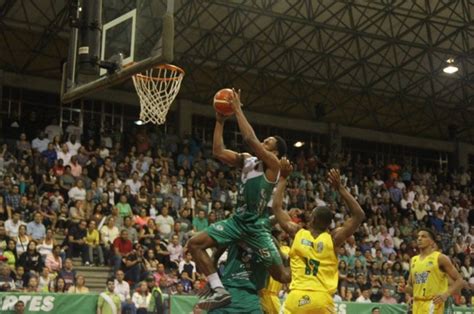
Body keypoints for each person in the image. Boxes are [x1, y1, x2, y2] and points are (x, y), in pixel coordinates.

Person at [188, 89, 290, 310]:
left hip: (255, 227)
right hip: (237, 222)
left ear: (276, 153)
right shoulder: (247, 160)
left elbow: (249, 138)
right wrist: (220, 122)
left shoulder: (273, 165)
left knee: (282, 275)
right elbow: (218, 151)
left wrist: (237, 109)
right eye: (266, 139)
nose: (265, 141)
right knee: (194, 244)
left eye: (269, 142)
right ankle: (219, 290)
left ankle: (296, 260)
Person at [272, 161, 366, 314]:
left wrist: (283, 178)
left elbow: (276, 207)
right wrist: (340, 188)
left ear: (313, 219)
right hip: (322, 300)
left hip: (297, 297)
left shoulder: (297, 232)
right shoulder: (334, 238)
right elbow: (359, 215)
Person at [405, 228, 464, 314]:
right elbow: (410, 287)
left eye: (423, 236)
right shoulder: (413, 260)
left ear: (432, 242)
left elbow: (460, 280)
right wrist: (405, 289)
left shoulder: (440, 258)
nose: (419, 239)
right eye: (418, 237)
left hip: (433, 303)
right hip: (417, 304)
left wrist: (446, 294)